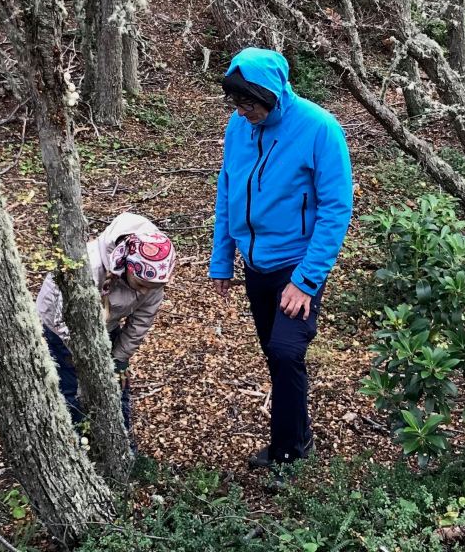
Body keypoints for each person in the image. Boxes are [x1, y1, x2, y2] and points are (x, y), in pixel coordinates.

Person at [209, 47, 353, 468]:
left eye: (249, 102)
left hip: (297, 262)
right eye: (236, 102)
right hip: (256, 262)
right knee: (275, 355)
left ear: (272, 93)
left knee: (286, 351)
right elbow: (227, 191)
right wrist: (223, 259)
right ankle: (296, 435)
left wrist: (306, 280)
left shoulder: (319, 128)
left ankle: (288, 451)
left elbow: (336, 208)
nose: (242, 111)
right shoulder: (237, 128)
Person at [36, 211, 175, 435]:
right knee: (70, 387)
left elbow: (140, 323)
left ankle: (120, 443)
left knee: (117, 386)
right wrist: (86, 357)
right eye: (140, 284)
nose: (145, 291)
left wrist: (119, 359)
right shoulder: (90, 267)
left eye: (152, 286)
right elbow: (63, 318)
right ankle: (76, 443)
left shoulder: (153, 280)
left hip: (105, 326)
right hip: (60, 329)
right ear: (127, 266)